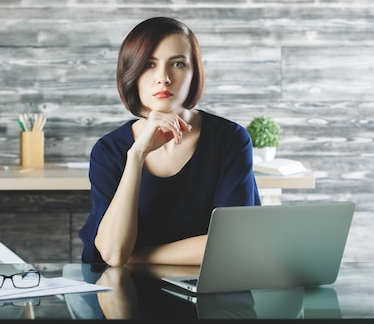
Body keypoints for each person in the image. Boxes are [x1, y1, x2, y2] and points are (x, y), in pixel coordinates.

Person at [79, 17, 260, 266]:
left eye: (177, 63)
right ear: (131, 73)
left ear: (194, 72)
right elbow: (113, 253)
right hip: (121, 293)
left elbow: (233, 245)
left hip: (206, 293)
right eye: (149, 65)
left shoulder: (229, 139)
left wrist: (138, 256)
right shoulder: (109, 150)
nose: (163, 77)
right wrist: (137, 155)